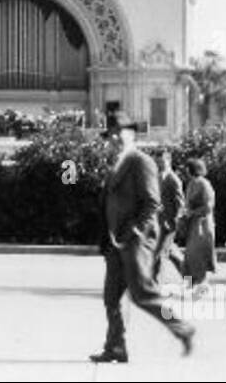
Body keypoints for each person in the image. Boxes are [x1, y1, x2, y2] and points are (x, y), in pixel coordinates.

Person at [91, 113, 195, 363]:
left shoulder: (141, 161)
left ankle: (181, 327)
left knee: (144, 295)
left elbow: (152, 204)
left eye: (119, 131)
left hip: (135, 242)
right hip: (116, 243)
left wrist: (134, 233)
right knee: (111, 298)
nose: (114, 137)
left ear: (131, 134)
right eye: (110, 134)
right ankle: (115, 347)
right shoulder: (117, 163)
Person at [182, 158, 217, 292]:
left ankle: (202, 285)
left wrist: (193, 212)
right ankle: (191, 284)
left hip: (203, 224)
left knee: (199, 254)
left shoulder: (204, 184)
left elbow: (209, 206)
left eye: (188, 168)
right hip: (193, 224)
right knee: (190, 255)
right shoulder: (191, 184)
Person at [153, 148, 186, 283]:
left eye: (162, 162)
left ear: (169, 161)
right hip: (159, 224)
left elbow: (180, 204)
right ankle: (191, 279)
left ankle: (155, 286)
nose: (159, 165)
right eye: (157, 162)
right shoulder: (157, 177)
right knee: (174, 256)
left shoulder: (174, 180)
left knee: (159, 256)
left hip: (168, 226)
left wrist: (175, 221)